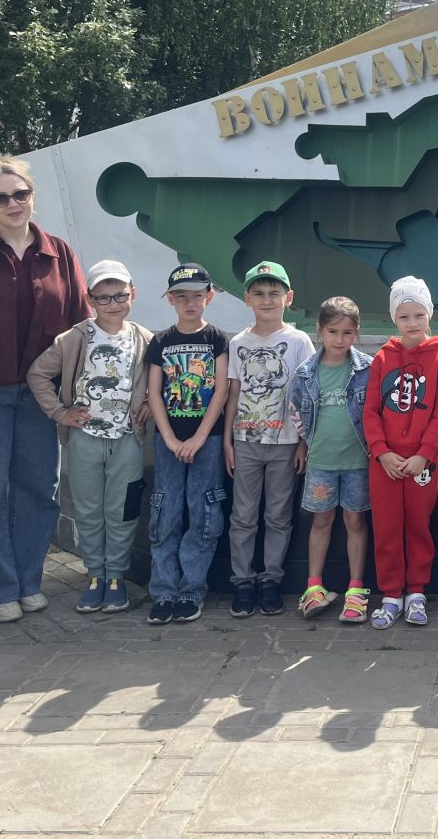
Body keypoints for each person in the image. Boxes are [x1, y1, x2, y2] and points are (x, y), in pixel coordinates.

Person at [0, 156, 88, 622]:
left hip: (41, 394)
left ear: (32, 195)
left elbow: (80, 323)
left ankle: (28, 580)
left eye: (20, 194)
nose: (12, 204)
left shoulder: (60, 254)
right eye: (0, 198)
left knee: (39, 489)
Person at [26, 259, 152, 613]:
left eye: (120, 295)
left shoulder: (145, 339)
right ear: (90, 299)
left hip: (127, 441)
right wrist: (59, 412)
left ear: (132, 294)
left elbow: (161, 381)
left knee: (123, 511)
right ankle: (95, 575)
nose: (113, 304)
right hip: (85, 439)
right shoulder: (73, 339)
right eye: (103, 298)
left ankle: (116, 578)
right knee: (88, 510)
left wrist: (149, 403)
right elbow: (38, 374)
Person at [223, 261, 314, 619]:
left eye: (274, 293)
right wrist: (227, 441)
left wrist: (303, 442)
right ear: (247, 298)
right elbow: (233, 393)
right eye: (258, 293)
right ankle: (243, 581)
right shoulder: (238, 343)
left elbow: (307, 396)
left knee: (278, 515)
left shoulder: (298, 341)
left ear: (288, 298)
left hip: (285, 443)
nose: (266, 300)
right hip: (245, 441)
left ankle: (271, 580)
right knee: (243, 516)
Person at [363, 276, 438, 629]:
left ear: (429, 314)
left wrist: (425, 454)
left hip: (422, 462)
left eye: (419, 315)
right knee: (386, 527)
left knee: (418, 526)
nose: (412, 323)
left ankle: (416, 592)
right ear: (394, 319)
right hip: (384, 462)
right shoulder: (383, 358)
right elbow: (371, 411)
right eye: (404, 316)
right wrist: (381, 452)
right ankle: (390, 594)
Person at [144, 263, 230, 625]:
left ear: (209, 297)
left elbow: (221, 391)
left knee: (203, 513)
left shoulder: (217, 340)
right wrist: (168, 437)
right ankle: (163, 591)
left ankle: (192, 590)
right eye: (181, 296)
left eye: (197, 295)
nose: (190, 303)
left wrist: (198, 437)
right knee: (165, 514)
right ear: (170, 300)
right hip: (168, 441)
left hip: (206, 441)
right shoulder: (161, 342)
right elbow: (154, 392)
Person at [291, 296, 374, 623]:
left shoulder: (367, 369)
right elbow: (297, 410)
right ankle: (313, 586)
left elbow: (375, 412)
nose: (340, 339)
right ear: (320, 331)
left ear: (357, 333)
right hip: (321, 462)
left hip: (357, 461)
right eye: (333, 331)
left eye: (347, 332)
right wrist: (304, 443)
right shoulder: (306, 373)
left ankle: (356, 588)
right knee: (321, 521)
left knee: (355, 522)